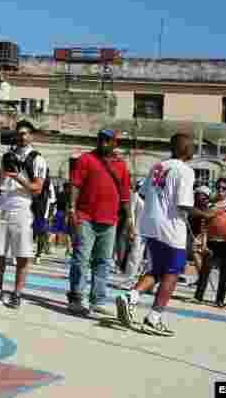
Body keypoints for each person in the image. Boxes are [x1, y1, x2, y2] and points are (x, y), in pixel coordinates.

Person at [115, 133, 209, 336]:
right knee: (173, 272)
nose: (194, 150)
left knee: (157, 269)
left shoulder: (158, 166)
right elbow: (183, 204)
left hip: (150, 224)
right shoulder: (185, 171)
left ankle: (130, 296)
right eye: (192, 146)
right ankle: (154, 317)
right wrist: (205, 213)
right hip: (171, 226)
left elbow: (143, 193)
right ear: (184, 148)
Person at [0, 120, 47, 309]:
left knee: (22, 252)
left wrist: (17, 176)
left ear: (31, 135)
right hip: (3, 201)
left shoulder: (37, 159)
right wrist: (0, 176)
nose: (22, 136)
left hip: (22, 204)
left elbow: (37, 189)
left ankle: (17, 293)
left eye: (26, 133)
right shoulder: (7, 156)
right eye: (19, 133)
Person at [66, 129, 132, 316]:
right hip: (85, 217)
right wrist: (71, 208)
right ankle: (76, 298)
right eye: (100, 139)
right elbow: (75, 185)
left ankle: (98, 300)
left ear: (114, 143)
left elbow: (125, 196)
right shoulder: (85, 160)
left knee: (103, 262)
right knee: (81, 259)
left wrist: (129, 221)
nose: (103, 143)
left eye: (107, 141)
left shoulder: (121, 166)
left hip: (110, 220)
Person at [193, 177, 226, 307]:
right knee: (205, 270)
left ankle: (220, 300)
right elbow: (205, 225)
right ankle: (198, 296)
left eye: (224, 188)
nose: (220, 191)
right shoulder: (210, 205)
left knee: (225, 272)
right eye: (218, 187)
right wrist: (203, 242)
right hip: (212, 241)